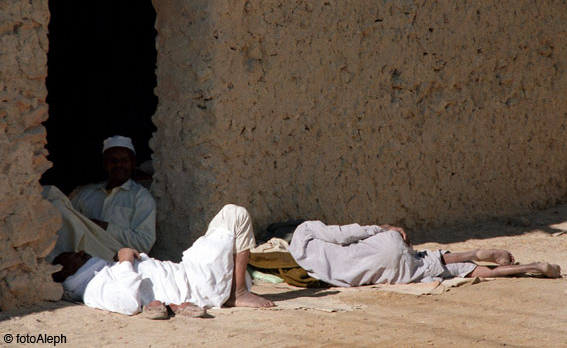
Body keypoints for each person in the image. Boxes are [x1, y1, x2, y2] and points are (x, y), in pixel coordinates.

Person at [52, 204, 275, 319]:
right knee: (235, 214)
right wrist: (125, 261)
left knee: (227, 222)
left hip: (188, 270)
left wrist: (126, 261)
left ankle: (236, 287)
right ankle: (237, 293)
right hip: (198, 283)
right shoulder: (92, 291)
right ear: (65, 273)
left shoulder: (101, 274)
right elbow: (128, 304)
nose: (80, 253)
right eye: (73, 256)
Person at [288, 221, 562, 287]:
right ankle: (474, 251)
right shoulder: (304, 230)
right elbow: (343, 234)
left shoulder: (308, 268)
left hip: (385, 270)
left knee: (440, 267)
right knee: (427, 255)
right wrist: (382, 227)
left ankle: (531, 267)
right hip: (385, 245)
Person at [44, 135, 156, 262]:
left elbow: (144, 243)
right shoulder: (85, 193)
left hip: (114, 256)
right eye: (113, 160)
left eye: (124, 160)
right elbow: (68, 225)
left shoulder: (141, 197)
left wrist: (104, 227)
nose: (119, 164)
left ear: (133, 163)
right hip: (80, 255)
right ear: (105, 164)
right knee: (54, 202)